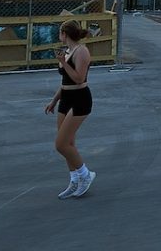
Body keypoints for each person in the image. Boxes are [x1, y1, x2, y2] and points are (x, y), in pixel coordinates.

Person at [45, 19, 95, 199]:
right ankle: (75, 180)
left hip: (80, 99)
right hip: (65, 98)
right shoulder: (67, 51)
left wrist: (63, 62)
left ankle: (85, 175)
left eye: (60, 33)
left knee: (61, 144)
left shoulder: (81, 51)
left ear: (64, 34)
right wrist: (54, 100)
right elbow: (65, 81)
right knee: (68, 144)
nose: (59, 36)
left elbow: (79, 78)